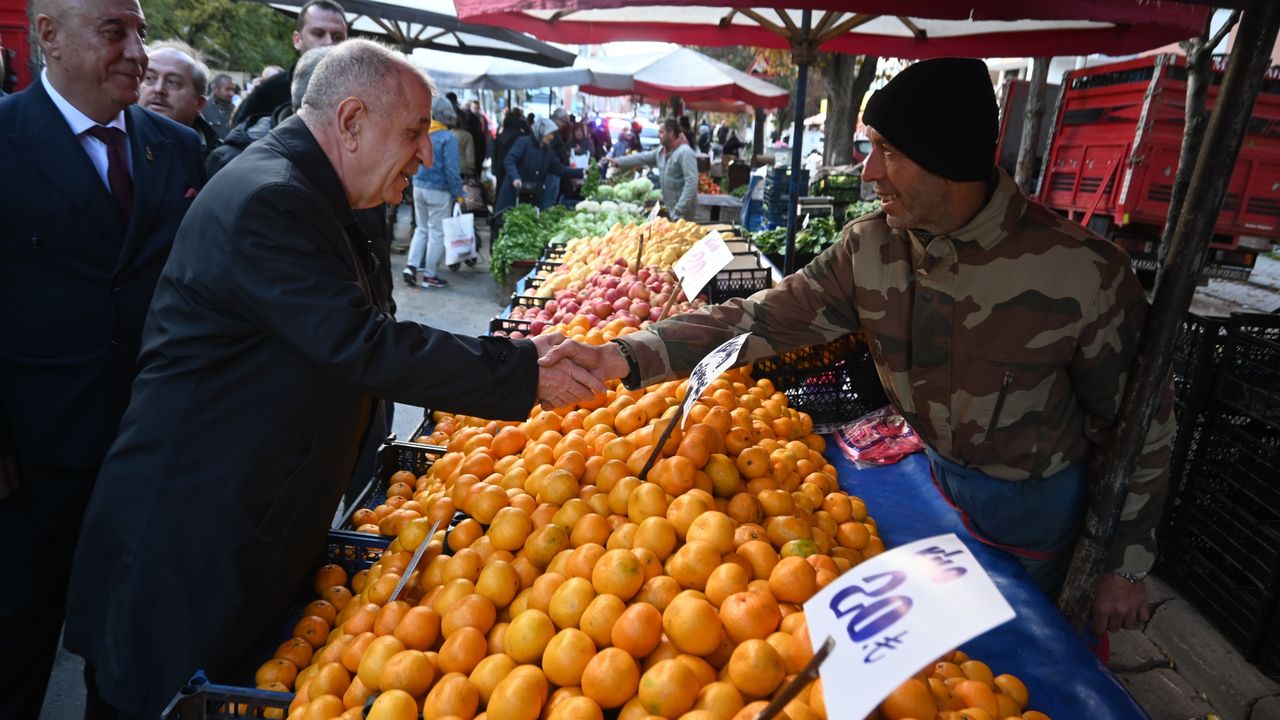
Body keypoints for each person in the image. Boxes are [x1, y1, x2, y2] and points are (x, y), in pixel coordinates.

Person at [541, 57, 1174, 643]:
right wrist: (629, 354)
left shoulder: (1082, 274)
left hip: (1036, 515)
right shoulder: (871, 248)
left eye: (889, 153)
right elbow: (763, 317)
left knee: (1029, 661)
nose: (869, 173)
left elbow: (1140, 426)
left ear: (947, 161)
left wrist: (1126, 563)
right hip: (937, 488)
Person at [61, 39, 602, 719]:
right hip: (187, 540)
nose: (427, 154)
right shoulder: (270, 200)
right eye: (413, 133)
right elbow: (361, 342)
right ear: (349, 122)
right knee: (153, 702)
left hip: (238, 522)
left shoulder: (310, 191)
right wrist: (523, 373)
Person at [0, 0, 205, 716]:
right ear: (48, 36)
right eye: (113, 31)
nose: (137, 52)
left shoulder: (178, 150)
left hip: (149, 448)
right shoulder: (3, 138)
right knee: (17, 640)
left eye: (140, 32)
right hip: (34, 459)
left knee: (126, 648)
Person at [231, 0, 346, 124]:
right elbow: (239, 139)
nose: (329, 42)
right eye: (318, 33)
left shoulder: (360, 91)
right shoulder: (269, 92)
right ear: (297, 40)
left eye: (338, 37)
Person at [404, 95, 464, 288]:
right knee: (436, 232)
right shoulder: (448, 138)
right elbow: (452, 171)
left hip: (419, 186)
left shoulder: (423, 132)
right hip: (439, 191)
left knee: (421, 229)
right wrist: (459, 195)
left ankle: (411, 266)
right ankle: (430, 274)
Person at [139, 40, 220, 159]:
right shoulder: (112, 145)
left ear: (199, 103)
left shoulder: (219, 162)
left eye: (173, 82)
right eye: (149, 78)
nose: (158, 89)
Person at [608, 117, 698, 220]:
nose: (658, 135)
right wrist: (619, 161)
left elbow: (691, 183)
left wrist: (679, 209)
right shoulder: (662, 151)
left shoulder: (685, 153)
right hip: (671, 208)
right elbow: (642, 158)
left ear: (671, 133)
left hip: (683, 212)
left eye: (661, 132)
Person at [496, 116, 567, 215]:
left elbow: (559, 169)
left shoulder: (546, 150)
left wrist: (582, 172)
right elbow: (510, 160)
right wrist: (515, 177)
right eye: (550, 133)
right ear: (541, 132)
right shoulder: (523, 142)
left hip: (531, 197)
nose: (552, 137)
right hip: (514, 195)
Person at [491, 108, 529, 206]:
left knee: (499, 191)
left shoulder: (501, 134)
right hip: (513, 167)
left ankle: (497, 211)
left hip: (500, 165)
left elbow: (494, 151)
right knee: (510, 193)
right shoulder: (520, 136)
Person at [202, 72, 236, 139]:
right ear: (214, 88)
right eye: (228, 89)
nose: (232, 93)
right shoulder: (202, 106)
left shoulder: (235, 110)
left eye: (233, 90)